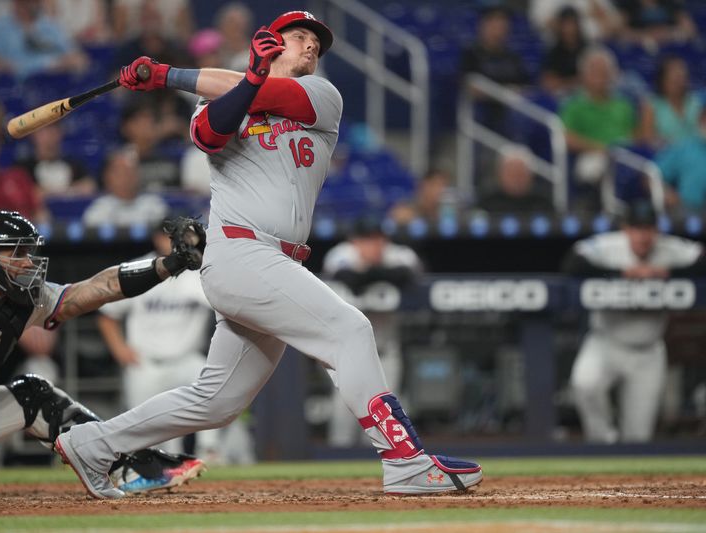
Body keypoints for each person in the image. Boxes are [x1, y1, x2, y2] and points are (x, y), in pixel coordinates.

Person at [56, 10, 482, 499]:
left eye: (315, 43)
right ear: (270, 43)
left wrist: (168, 75)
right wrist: (234, 77)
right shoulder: (218, 99)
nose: (310, 47)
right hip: (240, 252)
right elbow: (208, 135)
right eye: (299, 37)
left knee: (215, 402)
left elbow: (265, 92)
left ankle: (92, 444)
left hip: (276, 262)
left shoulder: (323, 95)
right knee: (350, 329)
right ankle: (403, 459)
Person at [0, 209, 207, 498]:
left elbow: (99, 289)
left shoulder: (26, 300)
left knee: (35, 395)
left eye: (27, 251)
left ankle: (128, 466)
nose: (28, 262)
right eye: (16, 252)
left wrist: (167, 265)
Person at [561, 201, 706, 443]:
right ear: (626, 229)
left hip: (648, 351)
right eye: (636, 228)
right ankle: (604, 441)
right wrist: (622, 274)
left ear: (657, 230)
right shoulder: (610, 245)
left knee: (638, 436)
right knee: (585, 384)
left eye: (648, 229)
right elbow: (571, 263)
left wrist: (667, 273)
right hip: (605, 342)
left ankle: (626, 468)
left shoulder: (669, 249)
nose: (643, 236)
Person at [97, 222, 253, 464]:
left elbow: (228, 306)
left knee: (212, 386)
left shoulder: (199, 271)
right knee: (148, 433)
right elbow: (108, 315)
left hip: (186, 360)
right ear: (157, 238)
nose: (179, 242)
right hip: (145, 362)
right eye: (172, 236)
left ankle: (209, 452)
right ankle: (156, 464)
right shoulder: (139, 267)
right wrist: (119, 349)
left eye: (185, 236)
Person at [321, 217, 422, 448]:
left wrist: (371, 272)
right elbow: (349, 278)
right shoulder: (342, 254)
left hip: (386, 351)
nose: (374, 245)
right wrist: (380, 274)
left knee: (387, 415)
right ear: (354, 241)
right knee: (344, 416)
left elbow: (408, 274)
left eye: (378, 239)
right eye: (367, 239)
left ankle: (381, 471)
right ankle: (338, 473)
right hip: (347, 354)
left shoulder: (399, 254)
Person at [655, 87, 706, 211]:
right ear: (700, 118)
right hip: (690, 213)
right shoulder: (684, 146)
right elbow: (652, 174)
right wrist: (667, 193)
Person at [459, 4, 529, 135]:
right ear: (484, 26)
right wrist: (503, 93)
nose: (499, 30)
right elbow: (471, 87)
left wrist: (516, 93)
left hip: (511, 110)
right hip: (485, 110)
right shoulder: (471, 54)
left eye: (503, 26)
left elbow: (526, 87)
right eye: (495, 25)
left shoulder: (513, 57)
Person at [0, 0, 89, 79]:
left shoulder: (50, 26)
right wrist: (48, 65)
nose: (32, 5)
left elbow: (77, 57)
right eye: (28, 2)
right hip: (19, 85)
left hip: (55, 81)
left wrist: (70, 61)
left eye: (36, 2)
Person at [82, 148, 168, 227]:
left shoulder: (154, 205)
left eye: (131, 171)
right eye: (121, 172)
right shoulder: (98, 210)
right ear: (107, 177)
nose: (127, 177)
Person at [15, 123, 97, 198]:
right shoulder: (23, 169)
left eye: (54, 130)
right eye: (44, 131)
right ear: (33, 135)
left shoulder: (75, 164)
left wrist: (49, 193)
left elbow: (89, 186)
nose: (50, 136)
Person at [639, 55, 701, 148]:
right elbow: (647, 140)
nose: (678, 80)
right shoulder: (652, 105)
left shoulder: (696, 102)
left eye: (681, 76)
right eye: (674, 77)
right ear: (663, 80)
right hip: (664, 155)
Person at [478, 145, 554, 213]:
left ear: (530, 175)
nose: (516, 178)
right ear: (500, 174)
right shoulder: (487, 203)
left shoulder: (543, 204)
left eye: (520, 173)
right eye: (511, 173)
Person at [540, 6, 589, 97]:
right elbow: (549, 83)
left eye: (572, 23)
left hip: (586, 95)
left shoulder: (588, 49)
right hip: (560, 96)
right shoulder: (553, 52)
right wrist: (575, 81)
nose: (569, 28)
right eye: (565, 24)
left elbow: (594, 79)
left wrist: (564, 82)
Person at [614, 0, 697, 52]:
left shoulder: (671, 3)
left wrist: (668, 33)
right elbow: (619, 31)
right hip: (639, 49)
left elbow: (690, 30)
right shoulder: (629, 4)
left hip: (670, 49)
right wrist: (645, 35)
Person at [387, 169, 452, 225]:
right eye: (437, 185)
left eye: (444, 186)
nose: (440, 191)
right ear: (424, 185)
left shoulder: (445, 213)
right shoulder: (404, 211)